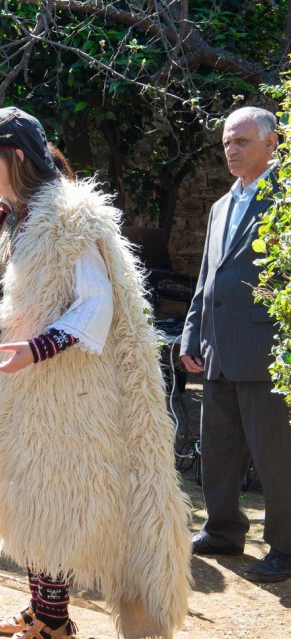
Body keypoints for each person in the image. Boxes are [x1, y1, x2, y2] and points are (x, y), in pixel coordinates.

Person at [0, 108, 191, 639]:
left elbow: (96, 305)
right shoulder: (10, 217)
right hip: (22, 385)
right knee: (29, 497)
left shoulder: (70, 215)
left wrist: (37, 349)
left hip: (72, 392)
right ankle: (47, 614)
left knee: (60, 498)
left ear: (18, 158)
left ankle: (56, 621)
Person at [181, 106, 291, 583]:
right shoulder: (221, 206)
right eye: (227, 141)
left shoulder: (286, 199)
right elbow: (206, 279)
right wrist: (191, 334)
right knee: (218, 451)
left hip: (266, 350)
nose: (231, 149)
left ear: (271, 143)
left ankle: (286, 548)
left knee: (276, 457)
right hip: (217, 349)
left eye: (241, 141)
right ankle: (223, 530)